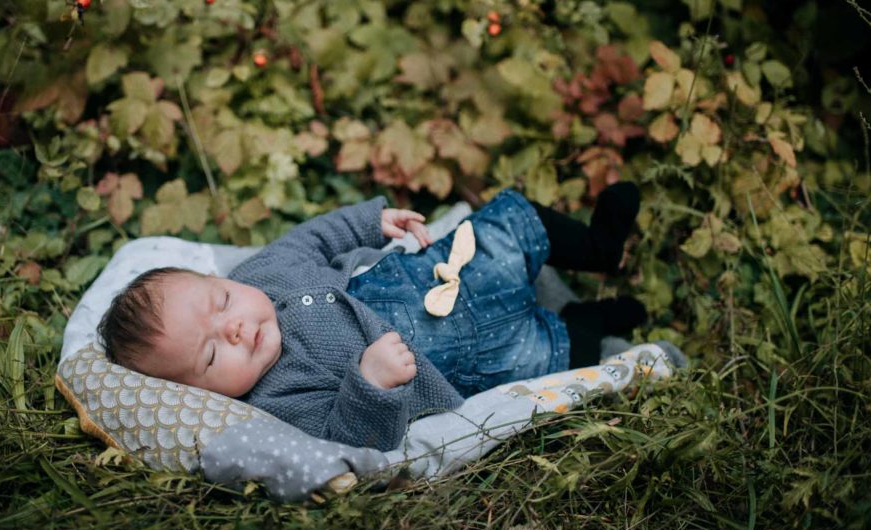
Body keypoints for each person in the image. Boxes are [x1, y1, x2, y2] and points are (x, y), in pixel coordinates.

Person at [98, 183, 648, 452]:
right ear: (202, 393)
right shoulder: (276, 400)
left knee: (503, 227)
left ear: (221, 280)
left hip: (441, 274)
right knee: (554, 356)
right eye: (212, 354)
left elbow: (312, 238)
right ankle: (591, 320)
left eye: (221, 303)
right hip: (469, 359)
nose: (235, 327)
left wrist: (370, 221)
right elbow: (344, 439)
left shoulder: (260, 274)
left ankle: (598, 249)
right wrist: (371, 384)